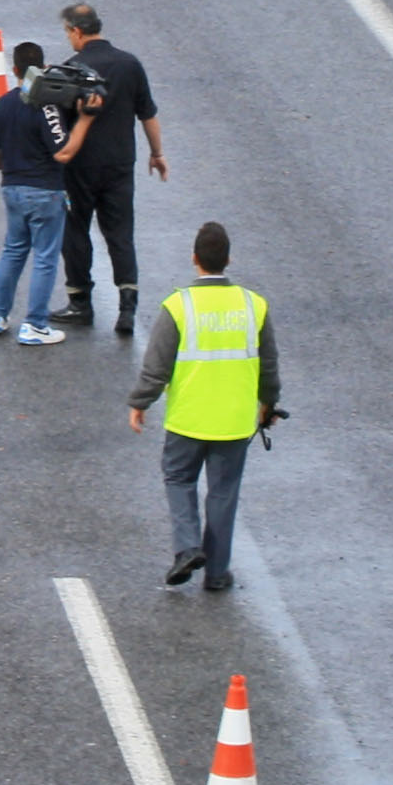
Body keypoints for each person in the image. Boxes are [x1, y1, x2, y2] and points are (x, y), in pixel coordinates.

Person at [127, 222, 280, 594]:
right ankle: (216, 573)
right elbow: (269, 366)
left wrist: (140, 402)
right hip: (234, 421)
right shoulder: (253, 305)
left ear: (194, 259)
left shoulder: (178, 306)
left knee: (179, 479)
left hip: (188, 419)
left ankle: (186, 548)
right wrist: (269, 404)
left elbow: (157, 364)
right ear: (228, 260)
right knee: (223, 493)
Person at [49, 3, 166, 337]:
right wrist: (157, 154)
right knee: (120, 233)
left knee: (75, 231)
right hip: (119, 165)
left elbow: (59, 124)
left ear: (76, 31)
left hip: (80, 167)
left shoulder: (72, 70)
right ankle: (127, 307)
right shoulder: (130, 65)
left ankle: (80, 302)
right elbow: (148, 114)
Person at [0, 40, 95, 345]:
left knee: (13, 251)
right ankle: (34, 324)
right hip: (45, 191)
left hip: (12, 188)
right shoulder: (47, 106)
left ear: (15, 69)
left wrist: (7, 169)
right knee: (45, 257)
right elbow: (64, 153)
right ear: (44, 68)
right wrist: (85, 120)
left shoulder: (2, 103)